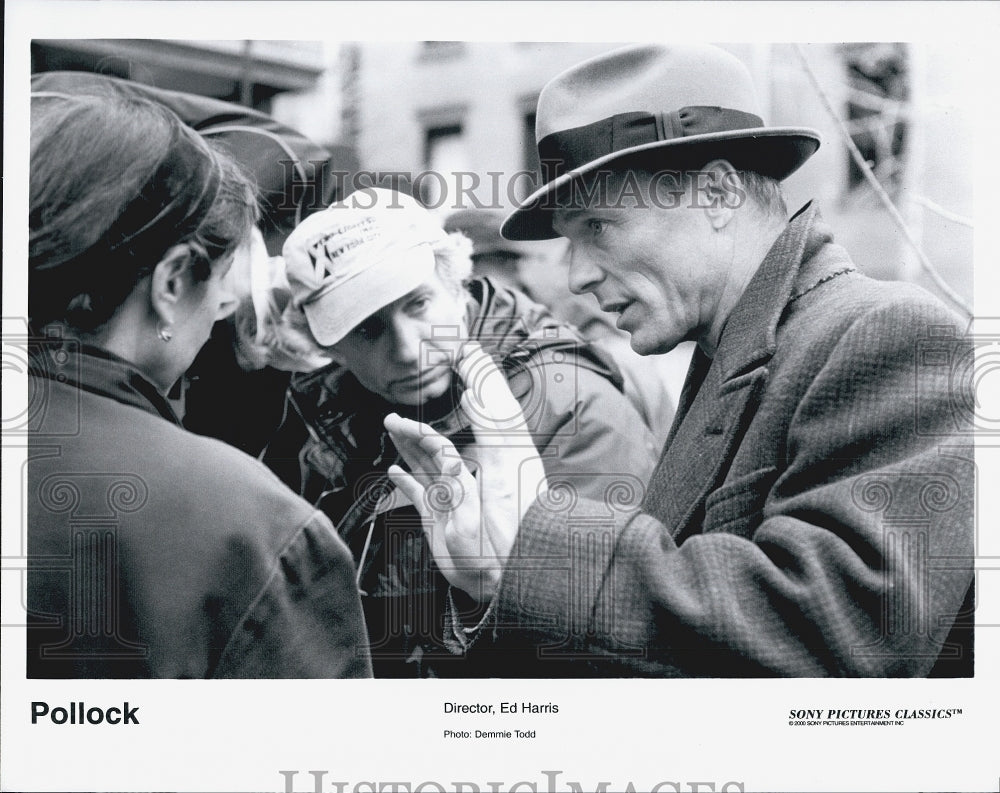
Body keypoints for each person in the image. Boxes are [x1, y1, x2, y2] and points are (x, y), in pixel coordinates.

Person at [384, 44, 975, 677]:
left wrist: (541, 551)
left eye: (599, 227)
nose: (577, 275)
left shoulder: (888, 334)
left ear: (717, 192)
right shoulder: (737, 348)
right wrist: (496, 576)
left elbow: (849, 639)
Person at [26, 91, 371, 678]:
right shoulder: (254, 530)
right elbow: (320, 768)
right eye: (221, 272)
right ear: (173, 279)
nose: (228, 300)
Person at [262, 187, 658, 676]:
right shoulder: (315, 413)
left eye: (419, 304)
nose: (408, 349)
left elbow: (609, 633)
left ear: (457, 283)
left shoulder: (569, 408)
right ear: (328, 344)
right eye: (367, 329)